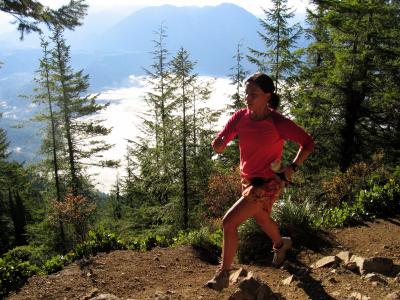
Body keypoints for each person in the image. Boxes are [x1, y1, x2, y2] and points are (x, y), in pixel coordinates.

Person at [205, 72, 314, 291]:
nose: (247, 98)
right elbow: (221, 142)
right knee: (262, 220)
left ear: (268, 95)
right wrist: (217, 144)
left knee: (229, 223)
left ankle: (223, 274)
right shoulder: (240, 117)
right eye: (246, 93)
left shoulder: (277, 122)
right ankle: (281, 245)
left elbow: (307, 142)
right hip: (247, 180)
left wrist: (292, 167)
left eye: (253, 94)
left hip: (267, 183)